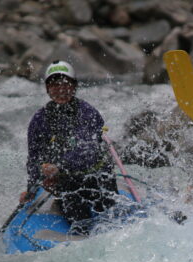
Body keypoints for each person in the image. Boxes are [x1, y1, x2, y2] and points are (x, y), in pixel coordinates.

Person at [19, 60, 118, 234]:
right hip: (68, 183)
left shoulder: (87, 113)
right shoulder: (39, 120)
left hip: (98, 179)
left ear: (74, 87)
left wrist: (58, 167)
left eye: (65, 84)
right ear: (47, 89)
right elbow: (34, 158)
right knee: (78, 219)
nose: (60, 89)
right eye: (54, 85)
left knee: (110, 218)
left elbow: (87, 151)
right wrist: (32, 188)